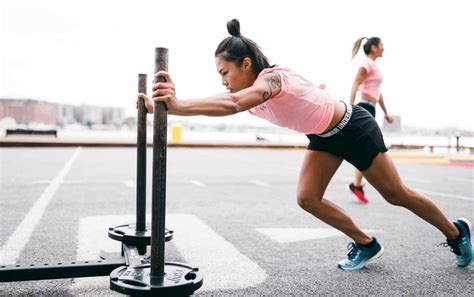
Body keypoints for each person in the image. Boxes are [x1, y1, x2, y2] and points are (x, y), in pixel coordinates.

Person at [138, 19, 472, 270]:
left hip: (354, 128)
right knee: (307, 198)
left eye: (224, 72)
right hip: (325, 137)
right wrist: (166, 106)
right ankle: (365, 243)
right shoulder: (245, 91)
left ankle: (457, 233)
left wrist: (178, 106)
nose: (222, 81)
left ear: (246, 65)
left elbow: (232, 104)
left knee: (395, 194)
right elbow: (222, 99)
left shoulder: (272, 80)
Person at [348, 37, 394, 204]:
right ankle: (357, 184)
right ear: (374, 47)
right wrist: (350, 110)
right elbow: (355, 86)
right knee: (371, 147)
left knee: (364, 148)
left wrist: (386, 113)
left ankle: (357, 184)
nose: (384, 48)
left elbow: (378, 92)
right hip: (364, 107)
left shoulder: (374, 66)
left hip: (371, 108)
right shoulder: (366, 64)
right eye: (382, 45)